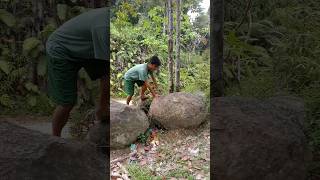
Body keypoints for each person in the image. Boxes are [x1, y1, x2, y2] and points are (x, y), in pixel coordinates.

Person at [46, 7, 109, 137]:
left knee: (107, 75)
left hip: (85, 48)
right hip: (61, 49)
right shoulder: (103, 27)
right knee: (67, 102)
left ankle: (102, 110)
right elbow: (106, 71)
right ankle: (54, 139)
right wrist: (102, 107)